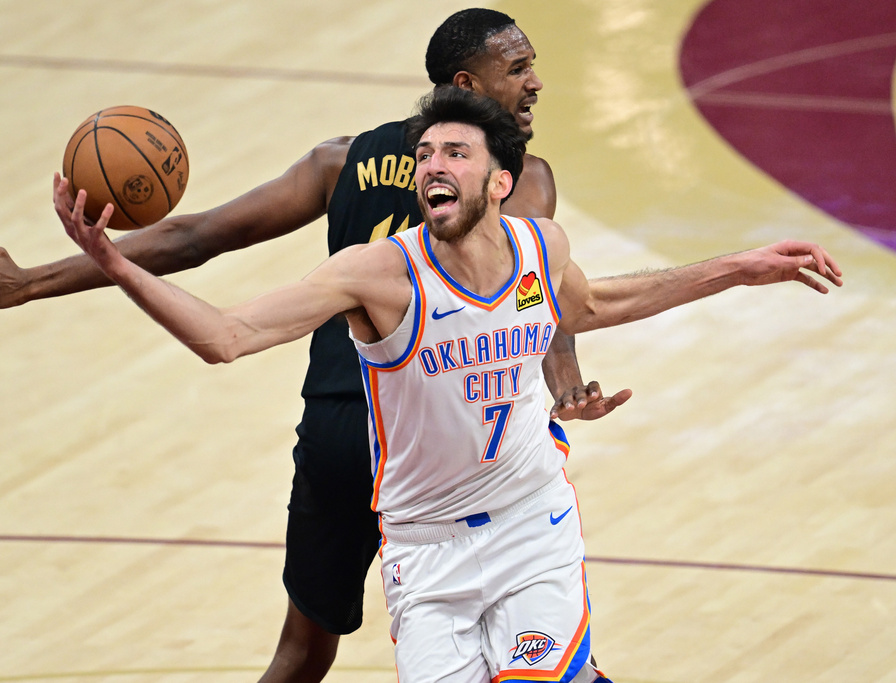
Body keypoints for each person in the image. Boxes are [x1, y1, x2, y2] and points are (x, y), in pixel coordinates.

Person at [0, 10, 631, 682]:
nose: (534, 81)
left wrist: (33, 280)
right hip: (441, 442)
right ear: (467, 87)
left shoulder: (341, 159)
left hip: (336, 433)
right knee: (535, 638)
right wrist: (565, 380)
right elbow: (535, 288)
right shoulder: (523, 179)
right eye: (519, 68)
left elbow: (194, 237)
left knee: (299, 656)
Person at [57, 86, 842, 683]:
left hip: (531, 524)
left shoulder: (542, 247)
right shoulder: (380, 275)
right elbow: (226, 337)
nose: (434, 164)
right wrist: (115, 262)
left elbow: (600, 302)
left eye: (455, 154)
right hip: (425, 550)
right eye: (427, 153)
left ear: (499, 182)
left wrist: (737, 268)